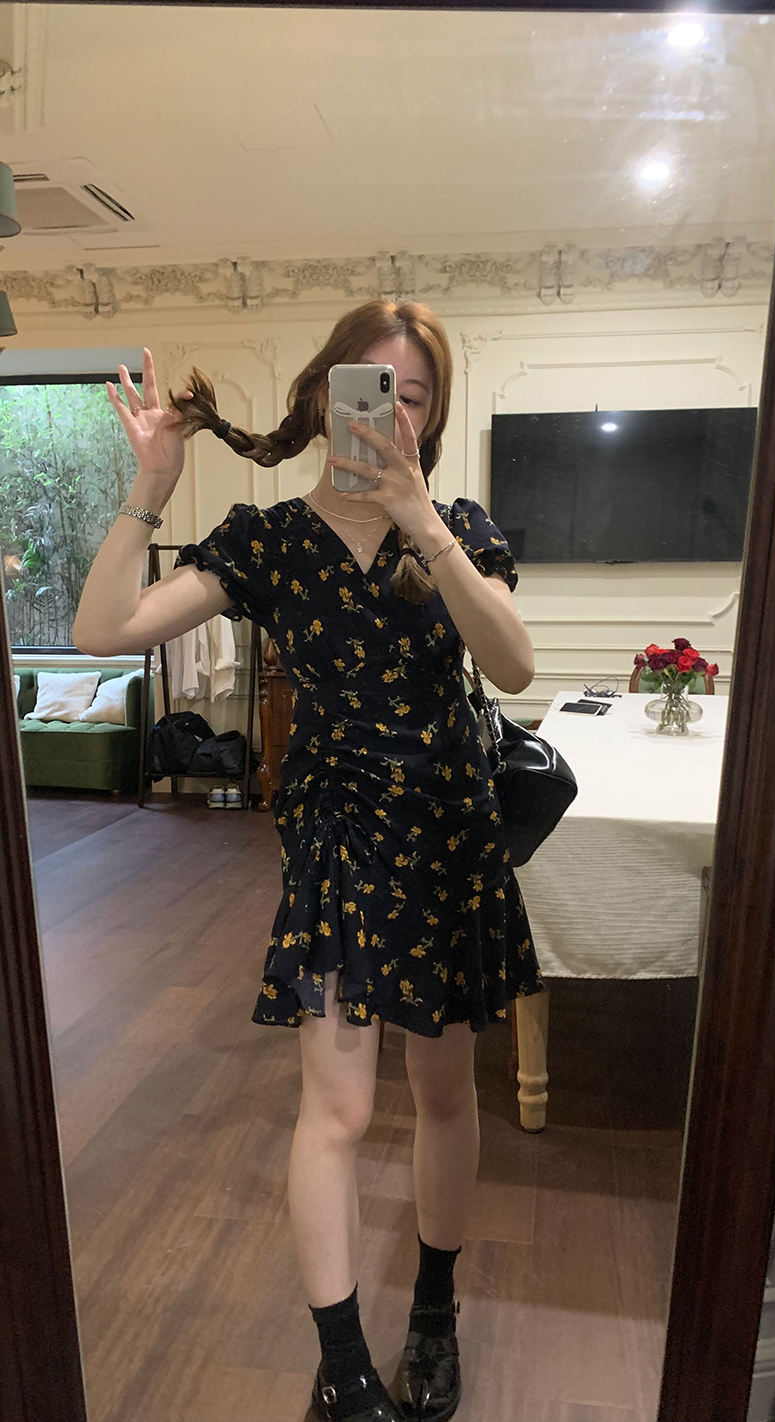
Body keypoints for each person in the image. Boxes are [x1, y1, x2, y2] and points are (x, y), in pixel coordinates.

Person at [73, 299, 543, 1422]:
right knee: (334, 1112)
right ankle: (341, 1366)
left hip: (449, 836)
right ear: (324, 395)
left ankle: (434, 1314)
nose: (390, 411)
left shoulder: (457, 528)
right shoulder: (269, 540)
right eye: (370, 387)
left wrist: (421, 521)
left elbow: (514, 666)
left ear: (429, 419)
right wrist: (151, 484)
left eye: (413, 396)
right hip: (338, 839)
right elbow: (102, 631)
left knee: (445, 1097)